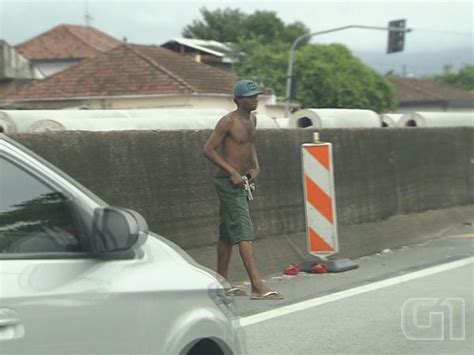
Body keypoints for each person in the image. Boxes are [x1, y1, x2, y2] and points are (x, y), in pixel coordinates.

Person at [203, 79, 283, 300]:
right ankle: (257, 286)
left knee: (228, 233)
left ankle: (221, 283)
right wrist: (232, 172)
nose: (255, 99)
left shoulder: (253, 120)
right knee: (244, 232)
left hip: (242, 181)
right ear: (238, 99)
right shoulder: (228, 121)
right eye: (250, 96)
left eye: (256, 95)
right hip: (228, 184)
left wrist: (255, 167)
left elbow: (249, 145)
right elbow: (208, 150)